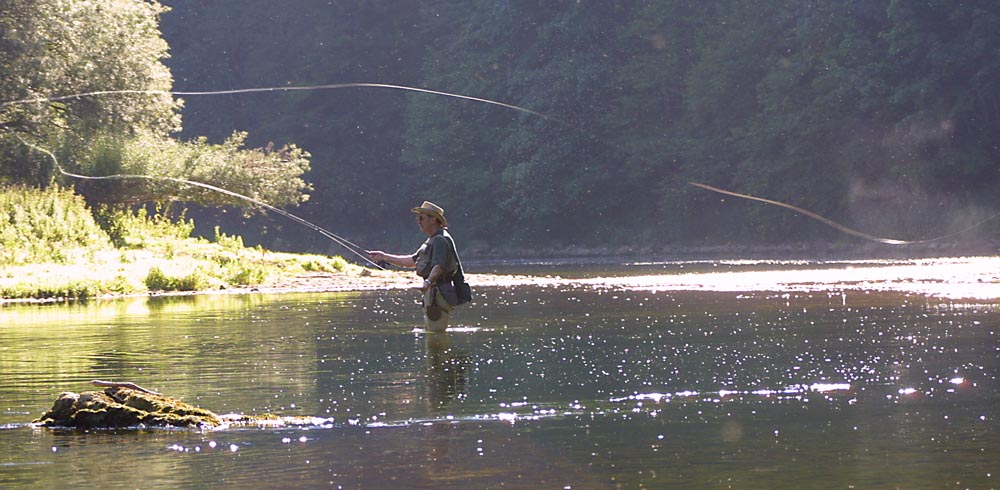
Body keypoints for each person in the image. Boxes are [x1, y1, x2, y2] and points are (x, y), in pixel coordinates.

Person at [368, 201, 462, 332]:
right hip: (434, 291)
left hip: (438, 293)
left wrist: (428, 282)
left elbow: (439, 266)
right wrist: (384, 256)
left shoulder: (440, 240)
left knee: (436, 332)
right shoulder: (433, 239)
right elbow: (412, 260)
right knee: (433, 332)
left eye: (421, 218)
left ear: (433, 220)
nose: (418, 221)